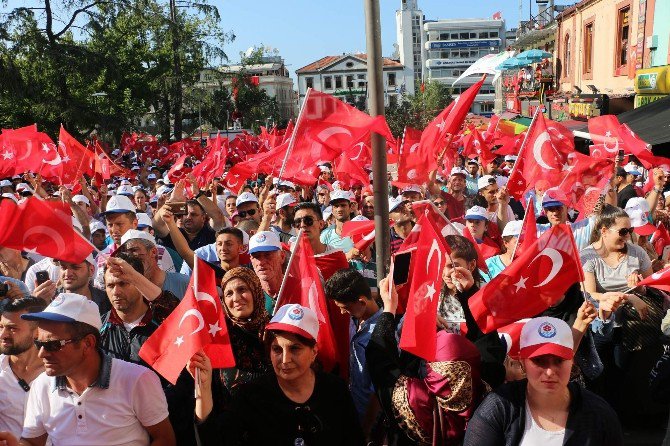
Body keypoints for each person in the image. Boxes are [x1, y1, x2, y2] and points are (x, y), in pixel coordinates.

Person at [3, 293, 176, 445]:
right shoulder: (42, 385)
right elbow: (32, 442)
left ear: (88, 343)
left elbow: (165, 439)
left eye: (53, 344)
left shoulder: (137, 379)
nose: (42, 353)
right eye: (39, 343)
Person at [191, 303, 365, 445]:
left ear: (314, 352)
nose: (285, 359)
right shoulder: (252, 396)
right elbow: (215, 440)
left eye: (295, 348)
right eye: (277, 349)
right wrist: (203, 389)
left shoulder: (335, 389)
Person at [366, 276, 488, 445]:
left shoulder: (414, 400)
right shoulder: (485, 393)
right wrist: (469, 292)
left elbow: (379, 360)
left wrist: (389, 308)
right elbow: (487, 344)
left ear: (434, 369)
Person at [464, 316, 623, 445]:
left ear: (572, 362)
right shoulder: (498, 408)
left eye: (559, 361)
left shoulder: (599, 414)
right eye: (539, 361)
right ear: (523, 362)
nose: (549, 372)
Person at [325, 269, 382, 426]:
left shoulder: (380, 336)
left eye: (345, 308)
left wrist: (367, 431)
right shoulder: (356, 318)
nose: (343, 313)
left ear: (362, 302)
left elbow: (376, 393)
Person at [0, 297, 47, 438]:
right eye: (1, 326)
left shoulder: (60, 373)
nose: (3, 335)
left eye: (12, 328)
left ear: (37, 331)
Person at [117, 229, 189, 300]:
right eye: (125, 253)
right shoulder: (126, 290)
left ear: (153, 252)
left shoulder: (184, 283)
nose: (129, 257)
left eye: (134, 250)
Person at [33, 256, 110, 314]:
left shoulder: (107, 300)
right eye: (63, 267)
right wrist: (38, 306)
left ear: (91, 270)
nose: (68, 273)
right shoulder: (50, 299)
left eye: (75, 267)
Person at [248, 231, 285, 313]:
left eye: (267, 255)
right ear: (251, 260)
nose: (261, 262)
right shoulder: (249, 295)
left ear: (282, 257)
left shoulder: (301, 289)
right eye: (256, 257)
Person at [320, 189, 356, 256]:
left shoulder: (359, 230)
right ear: (332, 210)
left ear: (350, 207)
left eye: (343, 205)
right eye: (336, 206)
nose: (339, 209)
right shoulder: (325, 234)